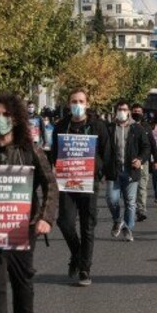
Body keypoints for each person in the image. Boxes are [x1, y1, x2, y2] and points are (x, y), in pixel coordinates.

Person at [0, 93, 58, 313]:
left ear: (16, 118)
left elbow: (50, 184)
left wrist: (45, 217)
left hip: (23, 226)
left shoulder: (29, 150)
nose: (0, 120)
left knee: (21, 281)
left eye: (5, 115)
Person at [53, 88, 110, 286]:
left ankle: (85, 269)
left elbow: (106, 152)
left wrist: (98, 170)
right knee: (64, 222)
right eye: (73, 101)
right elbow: (54, 152)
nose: (77, 105)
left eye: (80, 101)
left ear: (87, 104)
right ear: (69, 104)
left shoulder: (98, 126)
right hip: (67, 182)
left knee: (87, 226)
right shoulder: (61, 125)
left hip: (88, 182)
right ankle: (77, 254)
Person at [106, 100, 150, 242]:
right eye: (119, 109)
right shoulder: (110, 128)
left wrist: (140, 159)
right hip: (114, 170)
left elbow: (146, 147)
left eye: (124, 109)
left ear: (129, 111)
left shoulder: (137, 128)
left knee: (130, 202)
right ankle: (118, 220)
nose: (121, 111)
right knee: (112, 199)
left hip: (131, 171)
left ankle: (128, 228)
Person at [131, 104, 157, 222]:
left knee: (142, 186)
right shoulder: (127, 126)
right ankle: (132, 208)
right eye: (135, 111)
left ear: (142, 114)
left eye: (139, 111)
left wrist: (156, 159)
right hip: (130, 162)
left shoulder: (146, 127)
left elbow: (152, 144)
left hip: (143, 161)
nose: (137, 113)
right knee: (131, 187)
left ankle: (141, 209)